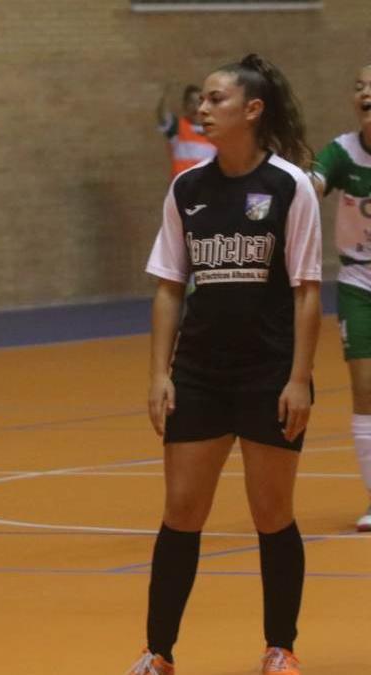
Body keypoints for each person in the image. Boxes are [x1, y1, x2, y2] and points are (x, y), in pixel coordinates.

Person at [133, 55, 322, 675]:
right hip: (201, 373)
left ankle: (280, 646)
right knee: (181, 511)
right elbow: (167, 285)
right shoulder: (187, 188)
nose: (202, 110)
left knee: (273, 514)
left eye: (215, 100)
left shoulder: (290, 186)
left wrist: (298, 377)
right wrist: (160, 373)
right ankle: (158, 651)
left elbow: (306, 290)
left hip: (268, 373)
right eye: (202, 101)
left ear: (252, 109)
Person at [310, 64, 371, 533]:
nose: (365, 92)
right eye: (358, 86)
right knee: (366, 389)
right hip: (359, 280)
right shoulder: (342, 152)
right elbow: (310, 186)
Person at [158, 83, 217, 180]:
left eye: (199, 103)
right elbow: (162, 115)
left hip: (207, 189)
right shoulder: (177, 127)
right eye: (191, 102)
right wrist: (165, 96)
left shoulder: (214, 131)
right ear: (185, 105)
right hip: (182, 188)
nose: (195, 107)